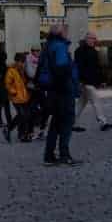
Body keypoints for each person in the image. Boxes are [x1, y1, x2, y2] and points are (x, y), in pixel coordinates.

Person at [38, 24, 81, 166]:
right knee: (66, 122)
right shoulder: (60, 46)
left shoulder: (47, 46)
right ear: (61, 33)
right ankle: (64, 154)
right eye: (66, 31)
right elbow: (61, 69)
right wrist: (68, 87)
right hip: (63, 90)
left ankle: (48, 155)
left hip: (52, 90)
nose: (68, 34)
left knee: (55, 123)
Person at [73, 32, 112, 132]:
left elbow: (97, 68)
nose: (94, 40)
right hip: (85, 82)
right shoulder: (79, 51)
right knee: (96, 101)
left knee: (81, 104)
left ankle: (71, 123)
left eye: (95, 39)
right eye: (92, 38)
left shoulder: (94, 51)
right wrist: (81, 80)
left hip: (90, 81)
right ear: (87, 39)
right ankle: (103, 122)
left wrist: (102, 80)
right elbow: (79, 67)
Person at [3, 53, 32, 143]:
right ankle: (9, 129)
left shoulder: (23, 70)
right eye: (21, 61)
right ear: (16, 61)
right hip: (16, 97)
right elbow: (8, 83)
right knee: (21, 115)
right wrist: (13, 92)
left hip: (24, 97)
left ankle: (22, 134)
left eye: (23, 62)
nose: (22, 63)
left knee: (25, 116)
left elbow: (25, 82)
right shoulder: (11, 70)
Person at [0, 51, 12, 129]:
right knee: (6, 106)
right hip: (3, 88)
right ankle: (9, 121)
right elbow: (1, 77)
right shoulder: (2, 65)